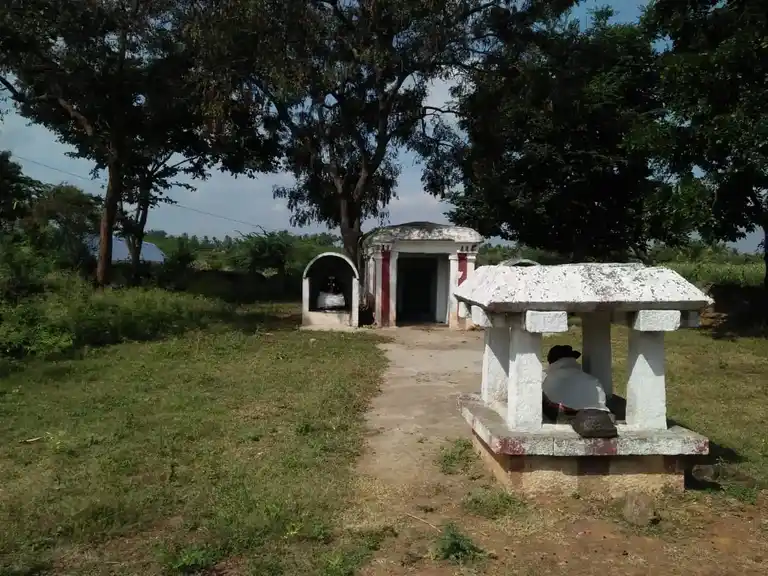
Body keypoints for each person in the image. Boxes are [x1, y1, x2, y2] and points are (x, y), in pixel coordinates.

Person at [542, 344, 610, 422]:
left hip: (562, 419)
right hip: (597, 418)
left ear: (551, 361)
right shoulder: (593, 380)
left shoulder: (547, 378)